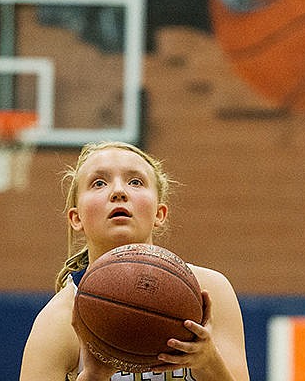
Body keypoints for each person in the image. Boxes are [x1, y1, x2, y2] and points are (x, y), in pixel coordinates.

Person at [19, 140, 250, 381]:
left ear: (159, 214)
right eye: (99, 183)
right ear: (76, 218)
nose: (119, 191)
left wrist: (208, 361)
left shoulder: (209, 290)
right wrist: (94, 376)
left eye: (135, 182)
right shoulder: (59, 318)